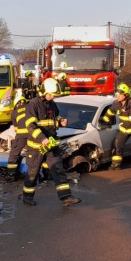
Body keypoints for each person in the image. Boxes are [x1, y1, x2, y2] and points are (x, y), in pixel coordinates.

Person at [20, 78, 81, 207]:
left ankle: (66, 197)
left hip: (51, 144)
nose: (52, 97)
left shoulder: (52, 104)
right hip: (36, 146)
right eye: (50, 94)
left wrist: (61, 122)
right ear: (43, 91)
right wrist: (42, 138)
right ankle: (27, 197)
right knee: (33, 172)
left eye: (53, 95)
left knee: (58, 168)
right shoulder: (33, 104)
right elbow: (30, 126)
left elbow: (55, 118)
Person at [101, 83, 131, 171]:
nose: (117, 96)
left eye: (120, 94)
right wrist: (103, 120)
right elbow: (109, 113)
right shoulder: (116, 104)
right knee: (117, 144)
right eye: (117, 93)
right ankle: (116, 165)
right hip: (124, 128)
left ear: (126, 95)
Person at [6, 91, 28, 176]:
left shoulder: (15, 113)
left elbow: (16, 129)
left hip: (22, 135)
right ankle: (45, 173)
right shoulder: (31, 107)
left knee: (14, 154)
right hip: (34, 134)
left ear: (16, 105)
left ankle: (11, 174)